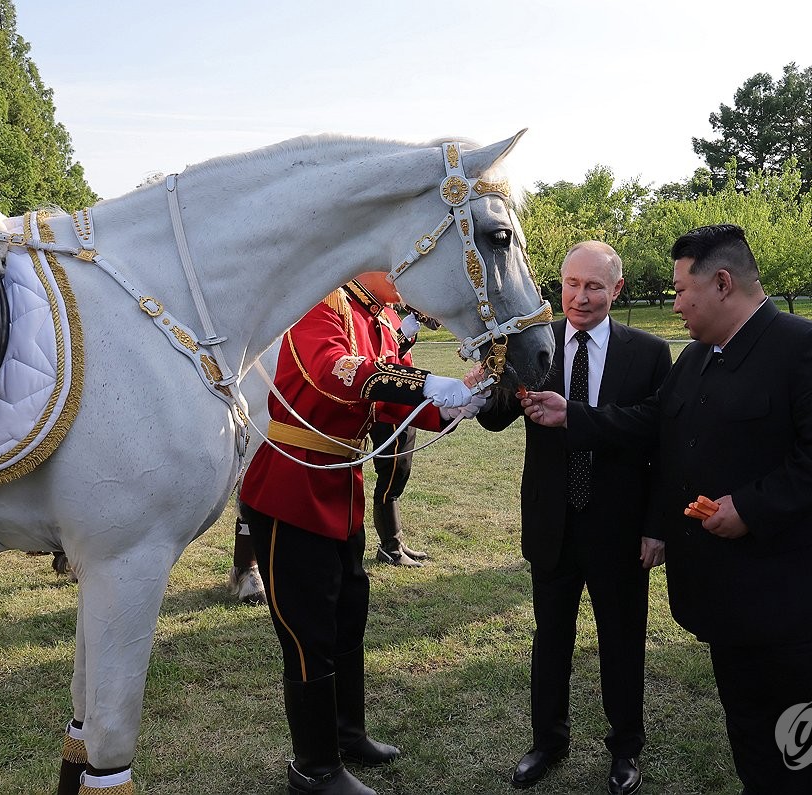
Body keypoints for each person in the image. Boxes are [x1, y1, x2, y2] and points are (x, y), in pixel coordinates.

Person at [522, 225, 812, 794]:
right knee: (761, 753)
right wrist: (573, 415)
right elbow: (652, 422)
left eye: (681, 291)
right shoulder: (699, 358)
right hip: (734, 609)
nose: (674, 305)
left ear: (722, 283)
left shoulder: (807, 348)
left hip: (809, 612)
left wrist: (751, 507)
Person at [238, 273, 486, 795]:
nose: (404, 275)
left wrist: (463, 397)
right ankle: (313, 767)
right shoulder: (317, 298)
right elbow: (334, 371)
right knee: (309, 633)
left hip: (338, 485)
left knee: (348, 616)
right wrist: (425, 383)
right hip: (293, 486)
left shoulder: (378, 318)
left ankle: (347, 736)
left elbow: (391, 398)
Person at [477, 241, 671, 794]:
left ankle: (625, 748)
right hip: (552, 524)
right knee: (551, 637)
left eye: (593, 286)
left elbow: (656, 434)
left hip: (620, 528)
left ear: (617, 289)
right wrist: (487, 381)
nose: (579, 297)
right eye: (570, 285)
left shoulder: (650, 353)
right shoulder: (536, 345)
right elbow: (495, 418)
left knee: (622, 640)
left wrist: (656, 526)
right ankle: (547, 741)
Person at [369, 301, 438, 568]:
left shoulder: (387, 312)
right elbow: (379, 360)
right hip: (389, 406)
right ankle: (390, 546)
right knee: (392, 473)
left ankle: (394, 540)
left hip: (405, 402)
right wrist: (403, 335)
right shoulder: (376, 313)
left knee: (400, 473)